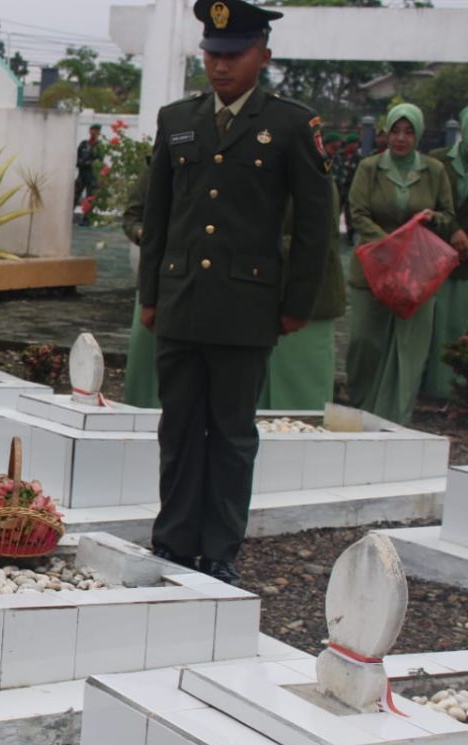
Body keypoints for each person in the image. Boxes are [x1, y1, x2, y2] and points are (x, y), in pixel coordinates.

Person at [138, 0, 332, 585]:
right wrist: (151, 293)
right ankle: (172, 539)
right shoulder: (178, 119)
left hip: (246, 309)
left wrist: (297, 303)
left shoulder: (293, 125)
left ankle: (220, 547)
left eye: (233, 55)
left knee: (230, 433)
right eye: (212, 55)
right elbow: (160, 212)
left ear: (262, 56)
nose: (220, 67)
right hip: (180, 301)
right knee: (177, 426)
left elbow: (316, 223)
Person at [346, 103, 464, 424]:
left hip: (416, 272)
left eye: (409, 132)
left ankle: (395, 417)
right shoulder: (370, 168)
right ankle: (360, 407)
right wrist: (389, 243)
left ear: (419, 135)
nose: (401, 138)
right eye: (395, 131)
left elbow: (447, 216)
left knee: (409, 346)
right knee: (364, 341)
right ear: (386, 133)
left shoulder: (433, 171)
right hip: (374, 267)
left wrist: (432, 218)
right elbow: (357, 214)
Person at [260, 179, 346, 410]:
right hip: (255, 295)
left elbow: (317, 238)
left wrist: (249, 246)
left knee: (301, 398)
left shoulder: (316, 175)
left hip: (308, 302)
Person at [423, 105, 468, 402]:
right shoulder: (439, 162)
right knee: (436, 325)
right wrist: (452, 228)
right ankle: (433, 389)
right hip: (439, 255)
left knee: (461, 323)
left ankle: (460, 394)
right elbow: (430, 202)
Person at [121, 158, 158, 408]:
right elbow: (132, 217)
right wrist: (142, 233)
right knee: (147, 365)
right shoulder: (155, 165)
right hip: (155, 280)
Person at [336, 133, 362, 245]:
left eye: (357, 144)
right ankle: (333, 232)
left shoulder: (359, 158)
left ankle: (350, 234)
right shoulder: (340, 156)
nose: (356, 146)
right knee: (335, 209)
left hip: (351, 188)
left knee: (349, 213)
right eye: (354, 143)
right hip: (338, 188)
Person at [75, 123, 103, 222]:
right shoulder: (83, 144)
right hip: (81, 174)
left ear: (99, 133)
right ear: (89, 131)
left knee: (90, 197)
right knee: (75, 194)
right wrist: (80, 163)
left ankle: (87, 219)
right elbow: (77, 157)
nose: (94, 132)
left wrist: (87, 163)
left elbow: (99, 161)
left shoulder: (99, 146)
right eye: (92, 130)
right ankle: (69, 217)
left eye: (96, 130)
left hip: (92, 175)